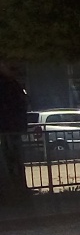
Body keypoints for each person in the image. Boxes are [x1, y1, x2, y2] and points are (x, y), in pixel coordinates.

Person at [0, 62, 29, 200]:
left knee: (14, 158)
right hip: (9, 127)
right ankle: (14, 190)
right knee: (12, 158)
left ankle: (17, 189)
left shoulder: (12, 83)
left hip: (11, 127)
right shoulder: (8, 84)